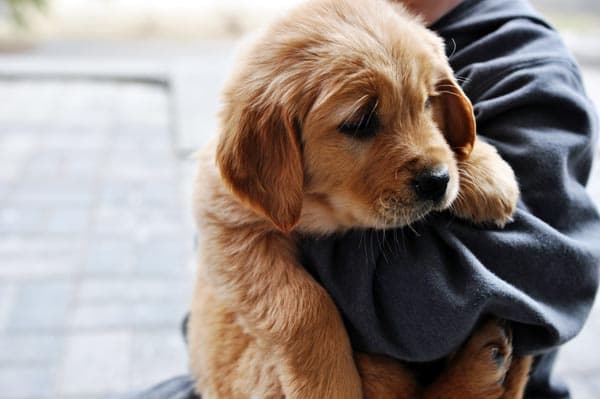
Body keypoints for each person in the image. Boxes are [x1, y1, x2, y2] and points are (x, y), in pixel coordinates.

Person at [119, 0, 600, 397]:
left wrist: (467, 158)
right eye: (361, 124)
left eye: (427, 103)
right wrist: (303, 327)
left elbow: (427, 314)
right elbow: (228, 222)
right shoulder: (318, 39)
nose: (433, 165)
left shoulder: (524, 69)